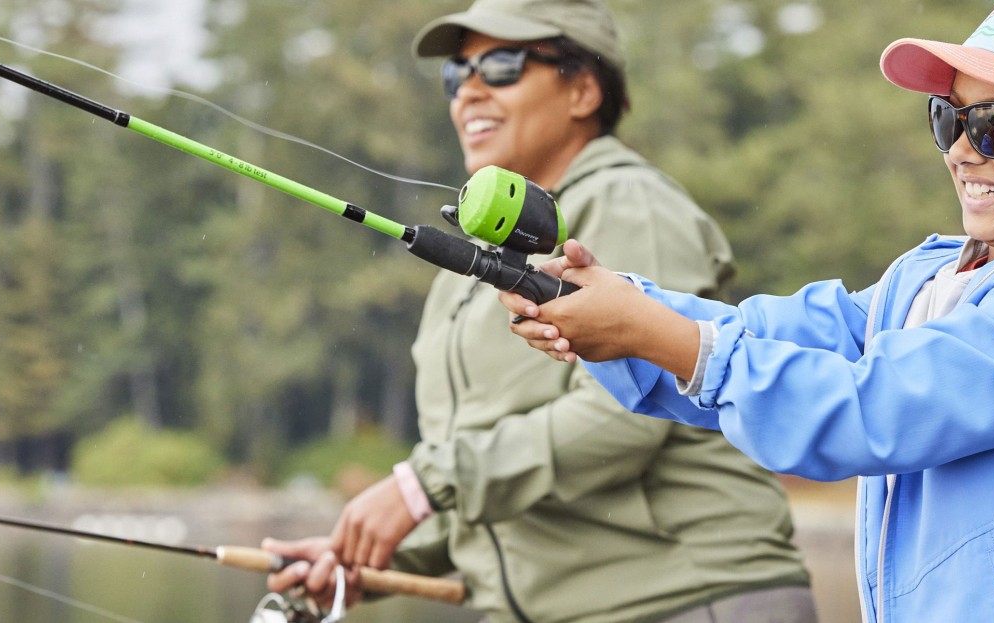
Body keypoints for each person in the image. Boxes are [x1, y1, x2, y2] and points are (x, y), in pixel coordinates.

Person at [502, 0, 994, 621]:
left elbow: (873, 407)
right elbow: (767, 338)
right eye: (950, 118)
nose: (963, 150)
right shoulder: (929, 275)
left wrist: (658, 336)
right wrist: (609, 307)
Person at [262, 1, 814, 621]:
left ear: (582, 90)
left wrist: (427, 485)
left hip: (690, 599)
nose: (468, 90)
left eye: (500, 65)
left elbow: (629, 416)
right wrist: (370, 558)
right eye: (455, 74)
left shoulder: (629, 203)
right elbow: (491, 482)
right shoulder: (467, 269)